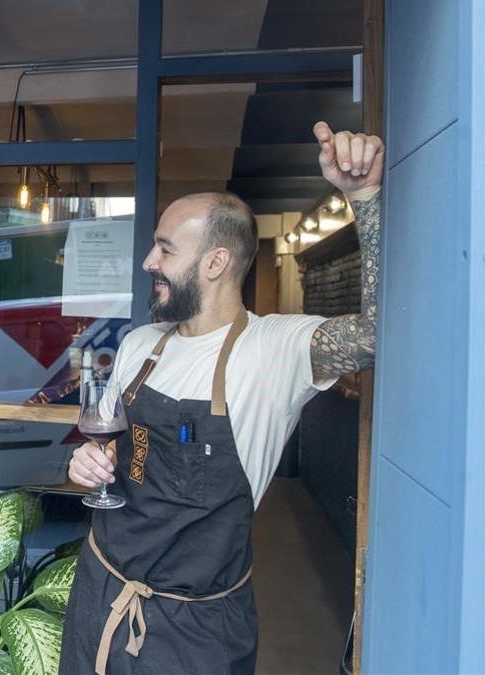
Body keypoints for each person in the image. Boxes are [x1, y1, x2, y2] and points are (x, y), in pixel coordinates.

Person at [59, 121, 383, 674]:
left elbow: (381, 330)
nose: (148, 263)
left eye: (164, 248)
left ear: (214, 263)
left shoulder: (275, 349)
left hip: (198, 630)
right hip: (99, 594)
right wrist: (88, 464)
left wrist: (364, 196)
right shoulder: (141, 344)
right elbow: (117, 454)